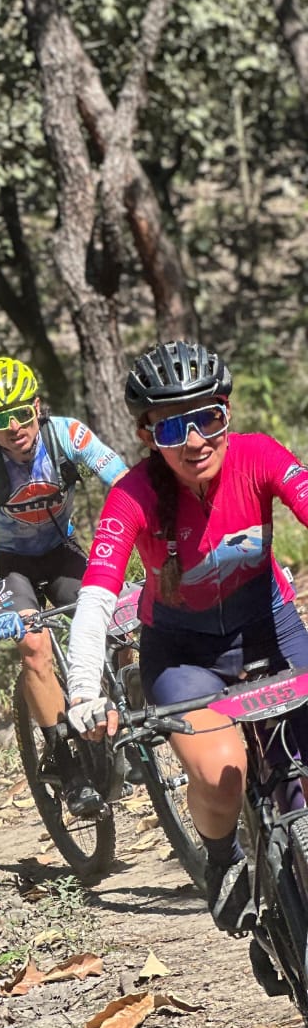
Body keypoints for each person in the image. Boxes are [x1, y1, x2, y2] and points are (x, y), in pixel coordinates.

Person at [65, 340, 308, 933]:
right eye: (173, 427)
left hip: (270, 629)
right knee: (223, 773)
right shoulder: (133, 495)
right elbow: (97, 594)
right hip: (184, 655)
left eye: (209, 418)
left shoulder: (259, 456)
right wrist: (83, 689)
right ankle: (222, 860)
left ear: (228, 414)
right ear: (147, 436)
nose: (195, 440)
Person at [0, 356, 127, 815]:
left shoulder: (68, 435)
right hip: (10, 565)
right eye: (0, 420)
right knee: (34, 646)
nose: (14, 427)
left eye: (21, 414)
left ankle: (122, 719)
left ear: (37, 406)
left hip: (60, 550)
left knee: (117, 621)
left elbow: (125, 485)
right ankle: (64, 762)